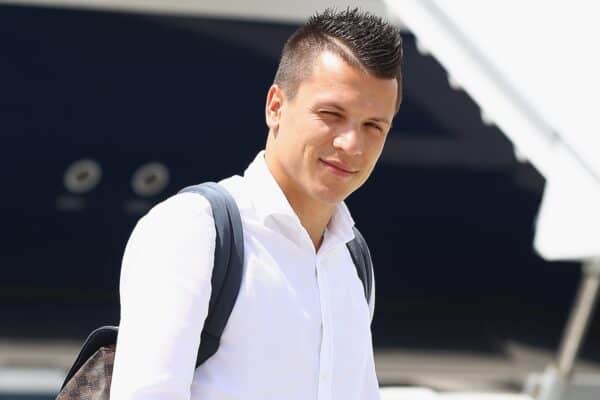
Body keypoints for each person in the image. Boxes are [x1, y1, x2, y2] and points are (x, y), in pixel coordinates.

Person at [110, 7, 403, 400]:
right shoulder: (193, 230)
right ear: (276, 107)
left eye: (373, 126)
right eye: (331, 114)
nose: (351, 144)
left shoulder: (351, 260)